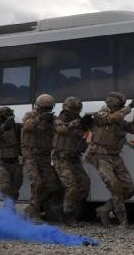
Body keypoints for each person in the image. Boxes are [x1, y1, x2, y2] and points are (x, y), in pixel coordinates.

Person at [85, 92, 134, 228]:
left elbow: (133, 129)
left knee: (130, 189)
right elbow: (114, 118)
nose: (111, 101)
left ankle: (104, 209)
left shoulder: (120, 117)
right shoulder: (101, 114)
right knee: (116, 187)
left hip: (114, 156)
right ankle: (123, 221)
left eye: (115, 100)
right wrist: (130, 107)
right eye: (111, 99)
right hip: (99, 155)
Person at [21, 94, 62, 222]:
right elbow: (27, 127)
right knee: (37, 183)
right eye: (44, 108)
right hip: (30, 156)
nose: (46, 111)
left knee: (53, 186)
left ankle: (32, 208)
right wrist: (40, 119)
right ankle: (35, 213)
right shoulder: (30, 116)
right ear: (38, 107)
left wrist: (56, 122)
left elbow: (62, 130)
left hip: (44, 157)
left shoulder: (53, 119)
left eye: (48, 108)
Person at [52, 96, 91, 227]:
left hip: (74, 158)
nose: (75, 113)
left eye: (77, 111)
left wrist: (88, 125)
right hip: (60, 158)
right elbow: (62, 129)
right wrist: (78, 123)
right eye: (73, 110)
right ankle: (68, 217)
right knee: (72, 187)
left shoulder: (78, 121)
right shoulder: (57, 120)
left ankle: (64, 207)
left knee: (85, 185)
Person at [0, 106, 23, 205]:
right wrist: (3, 128)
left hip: (16, 162)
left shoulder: (17, 127)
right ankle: (8, 206)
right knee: (5, 186)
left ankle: (11, 205)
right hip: (2, 163)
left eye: (8, 116)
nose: (7, 119)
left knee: (15, 188)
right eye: (4, 117)